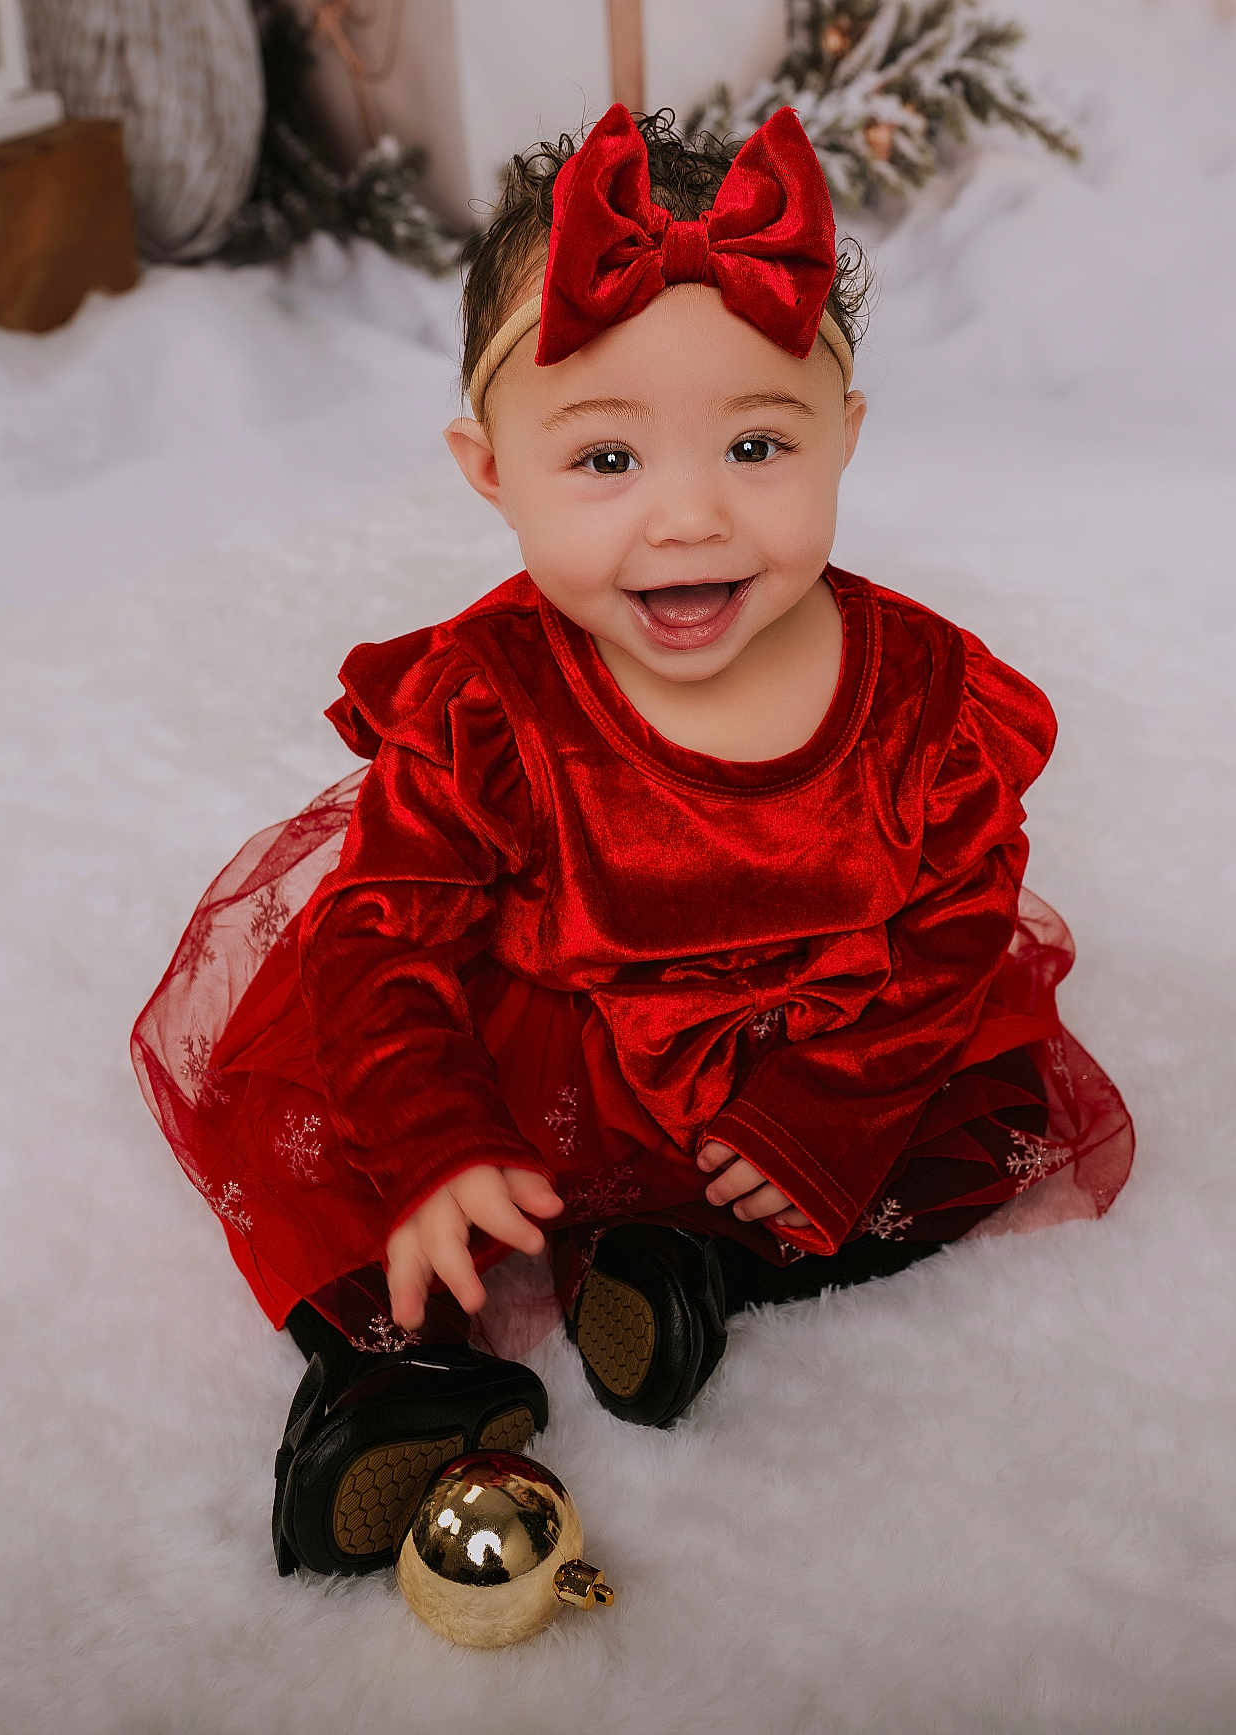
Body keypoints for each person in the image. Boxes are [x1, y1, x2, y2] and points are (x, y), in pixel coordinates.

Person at [131, 104, 1135, 1581]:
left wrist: (828, 1112)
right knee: (347, 1125)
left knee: (973, 1118)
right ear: (491, 471)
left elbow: (951, 923)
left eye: (754, 443)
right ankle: (390, 1367)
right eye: (604, 460)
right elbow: (386, 932)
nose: (686, 515)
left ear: (845, 437)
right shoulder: (491, 702)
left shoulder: (927, 699)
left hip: (808, 1036)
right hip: (546, 1041)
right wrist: (435, 1137)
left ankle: (693, 1264)